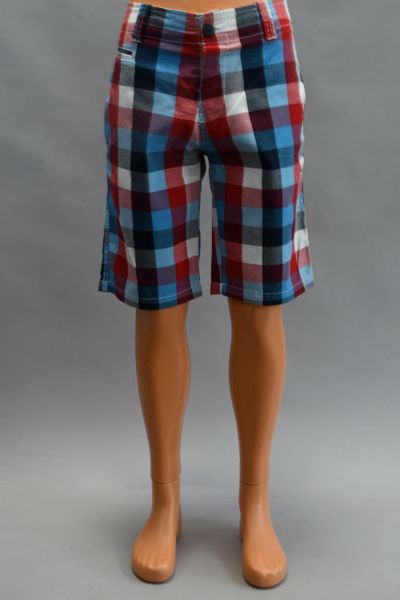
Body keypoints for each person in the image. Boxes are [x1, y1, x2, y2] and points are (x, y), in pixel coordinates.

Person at [98, 0, 315, 587]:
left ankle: (255, 503)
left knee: (261, 302)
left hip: (258, 49)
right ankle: (164, 502)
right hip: (152, 51)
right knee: (157, 301)